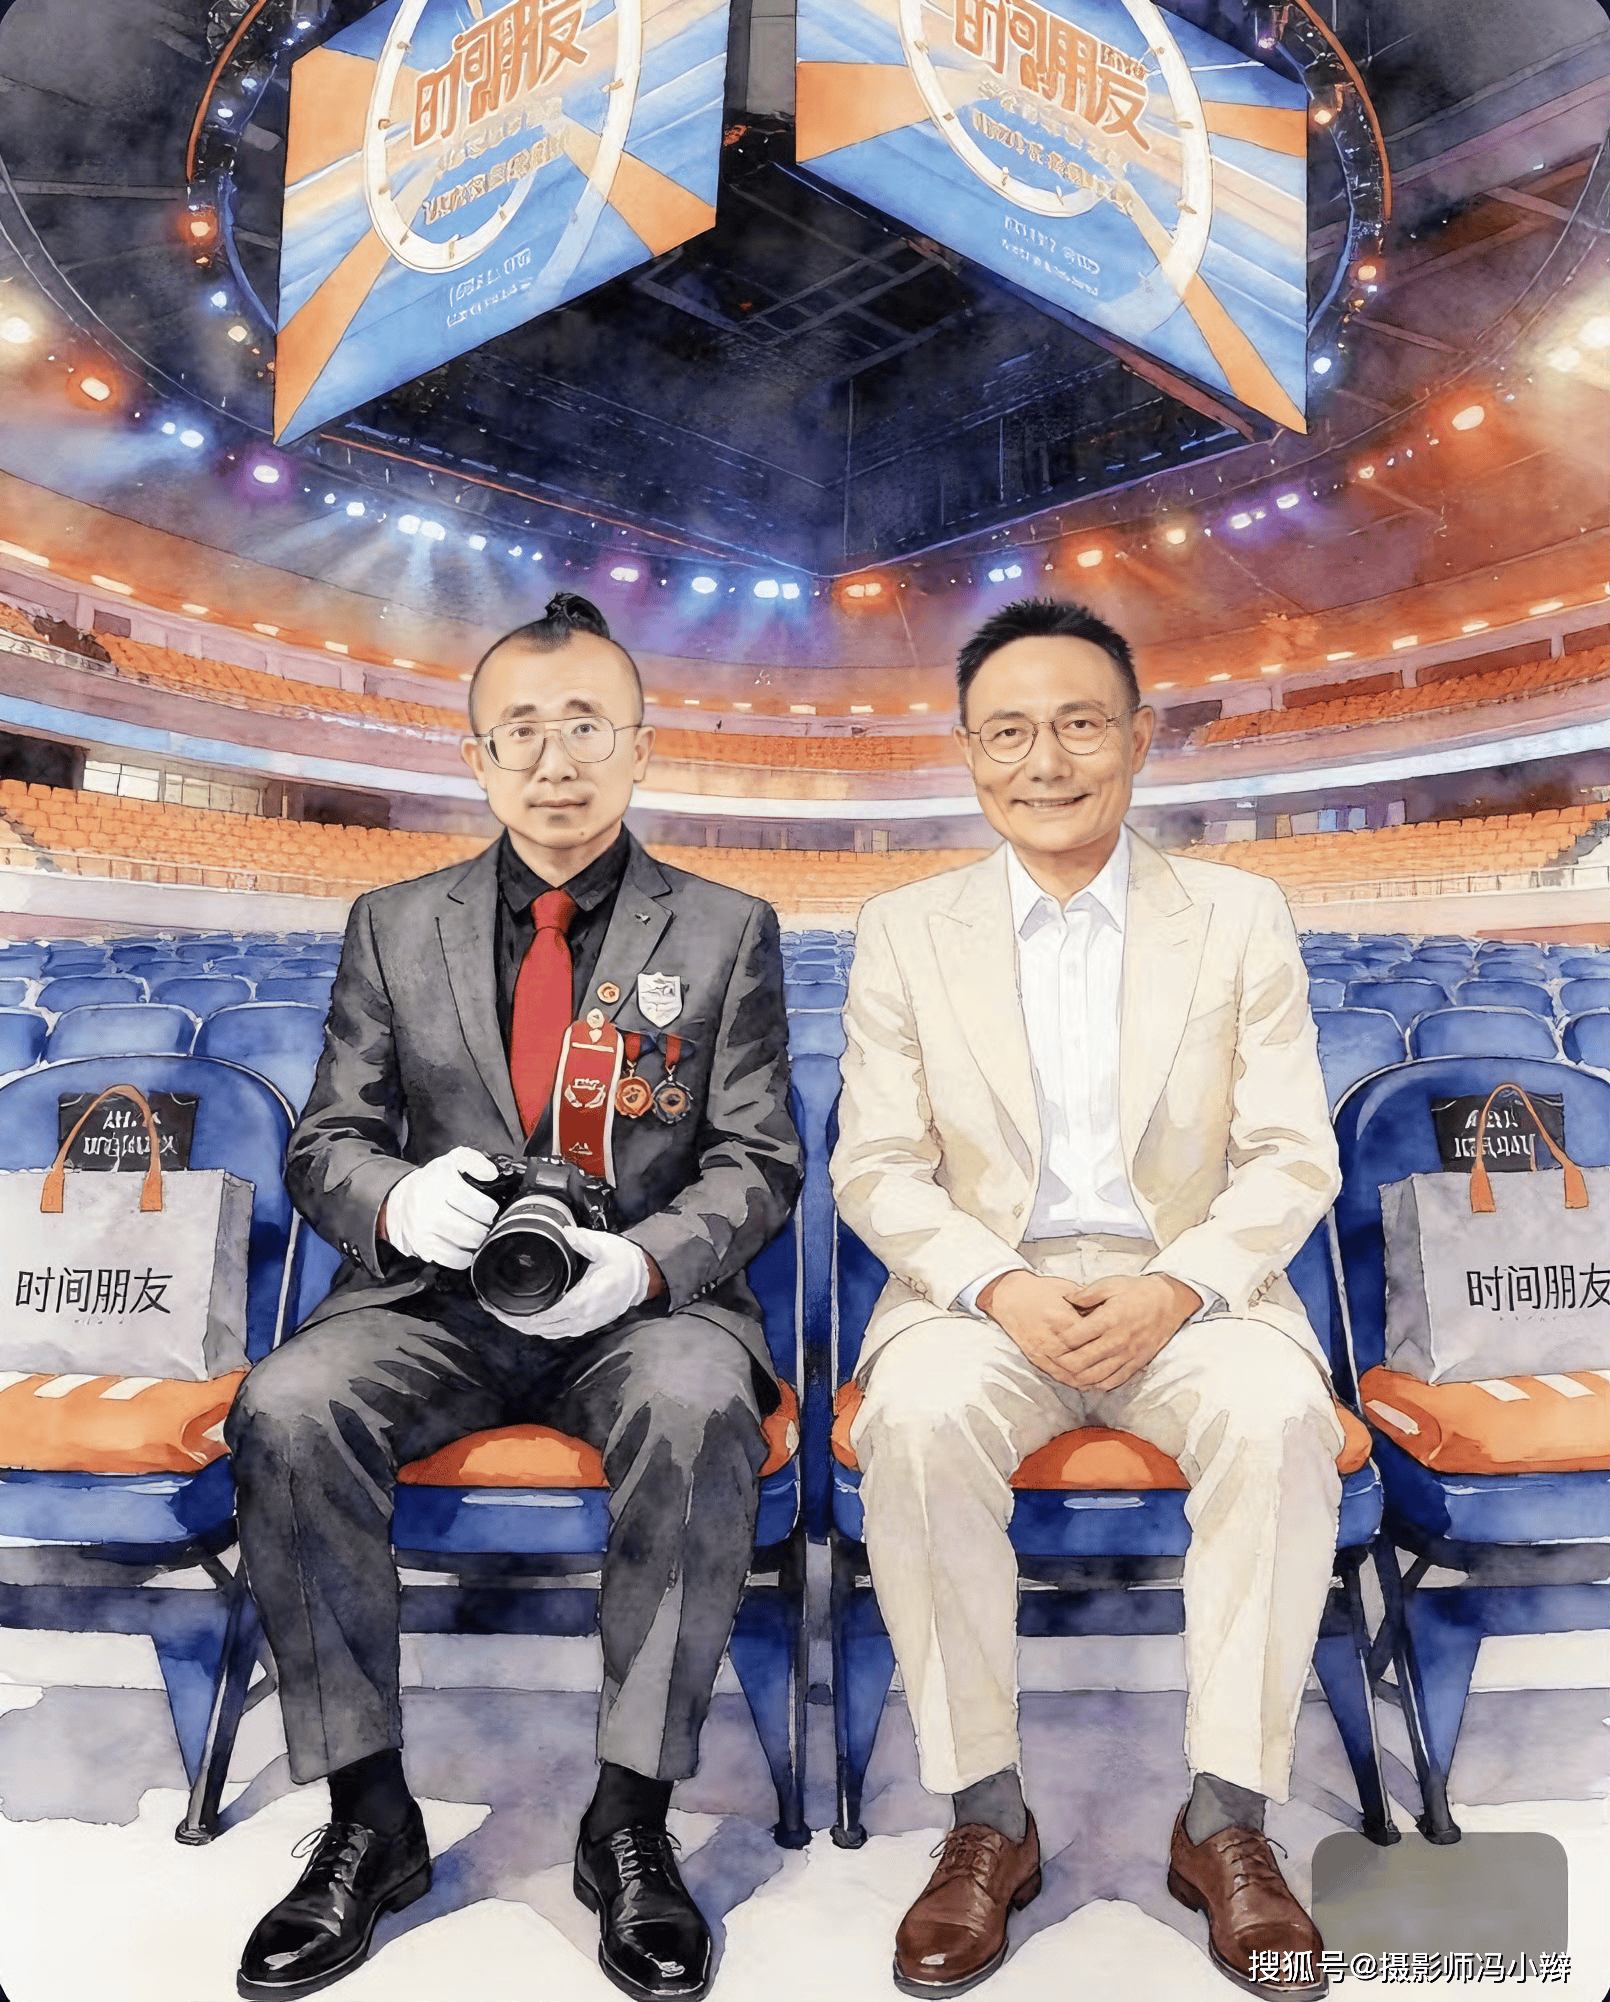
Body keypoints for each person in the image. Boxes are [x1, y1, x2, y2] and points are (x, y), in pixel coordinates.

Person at [227, 592, 802, 2002]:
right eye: (522, 732)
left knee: (697, 1398)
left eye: (587, 727)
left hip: (639, 1312)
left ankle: (631, 1818)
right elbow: (327, 1140)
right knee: (286, 1404)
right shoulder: (390, 923)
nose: (556, 761)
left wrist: (647, 1260)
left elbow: (758, 1158)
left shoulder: (725, 929)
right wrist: (389, 1200)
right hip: (431, 1310)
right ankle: (370, 1815)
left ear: (641, 746)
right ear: (477, 758)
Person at [829, 598, 1345, 2002]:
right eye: (1008, 732)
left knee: (1278, 1417)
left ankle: (1226, 1817)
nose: (1044, 761)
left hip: (1191, 1291)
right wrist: (996, 1283)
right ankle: (985, 1814)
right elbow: (876, 1166)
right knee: (913, 1420)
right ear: (967, 751)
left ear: (1138, 736)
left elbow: (1290, 1153)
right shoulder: (903, 929)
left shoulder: (1236, 914)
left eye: (1077, 724)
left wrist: (1175, 1286)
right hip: (980, 1298)